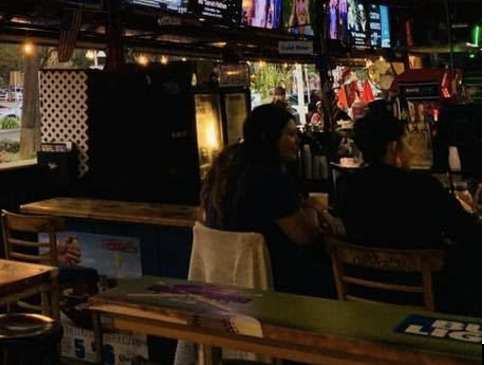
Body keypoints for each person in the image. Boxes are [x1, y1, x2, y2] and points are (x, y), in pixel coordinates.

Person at [337, 103, 480, 313]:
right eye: (407, 141)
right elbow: (466, 231)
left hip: (365, 292)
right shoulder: (423, 187)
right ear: (394, 146)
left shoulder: (347, 186)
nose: (411, 148)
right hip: (429, 295)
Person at [201, 104, 334, 296]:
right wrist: (314, 206)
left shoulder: (227, 168)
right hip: (273, 282)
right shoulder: (268, 177)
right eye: (289, 134)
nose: (296, 141)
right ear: (269, 137)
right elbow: (305, 235)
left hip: (230, 279)